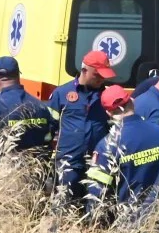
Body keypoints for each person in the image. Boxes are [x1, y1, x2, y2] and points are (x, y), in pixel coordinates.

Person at [85, 85, 159, 223]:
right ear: (132, 101)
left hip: (129, 225)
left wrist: (94, 224)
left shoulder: (108, 145)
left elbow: (97, 194)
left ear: (108, 113)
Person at [47, 50, 115, 204]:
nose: (101, 79)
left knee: (95, 205)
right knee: (63, 203)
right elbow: (49, 127)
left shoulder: (107, 97)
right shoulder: (62, 93)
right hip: (68, 161)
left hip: (96, 162)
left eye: (104, 76)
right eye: (97, 75)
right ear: (84, 70)